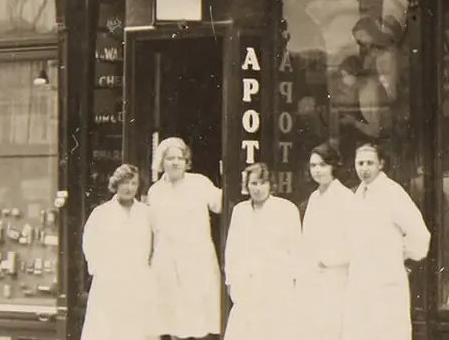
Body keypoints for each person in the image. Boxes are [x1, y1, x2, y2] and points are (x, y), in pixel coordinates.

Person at [343, 142, 431, 340]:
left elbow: (419, 234)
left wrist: (398, 257)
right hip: (360, 280)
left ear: (380, 164)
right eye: (360, 163)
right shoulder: (357, 195)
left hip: (386, 281)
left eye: (369, 163)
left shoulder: (393, 193)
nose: (364, 168)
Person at [148, 137, 223, 340]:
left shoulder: (199, 183)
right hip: (168, 261)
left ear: (186, 161)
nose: (175, 162)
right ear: (162, 162)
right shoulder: (155, 191)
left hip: (196, 259)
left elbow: (220, 204)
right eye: (170, 158)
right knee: (173, 319)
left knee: (197, 317)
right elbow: (153, 229)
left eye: (180, 158)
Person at [223, 163, 302, 340]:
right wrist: (231, 280)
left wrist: (294, 282)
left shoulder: (286, 209)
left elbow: (296, 249)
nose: (258, 188)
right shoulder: (240, 211)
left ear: (270, 185)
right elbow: (232, 248)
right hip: (247, 285)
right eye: (253, 183)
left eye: (262, 183)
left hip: (276, 285)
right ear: (247, 185)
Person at [80, 164, 156, 340]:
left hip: (138, 279)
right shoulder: (102, 213)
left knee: (136, 328)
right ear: (115, 184)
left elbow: (156, 242)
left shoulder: (146, 213)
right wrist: (100, 270)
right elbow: (90, 243)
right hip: (110, 281)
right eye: (124, 183)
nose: (128, 188)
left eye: (132, 183)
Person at [299, 144, 357, 340]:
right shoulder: (314, 197)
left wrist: (329, 260)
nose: (317, 170)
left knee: (334, 329)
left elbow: (355, 242)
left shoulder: (346, 198)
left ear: (333, 166)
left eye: (322, 165)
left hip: (336, 276)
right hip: (311, 276)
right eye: (313, 165)